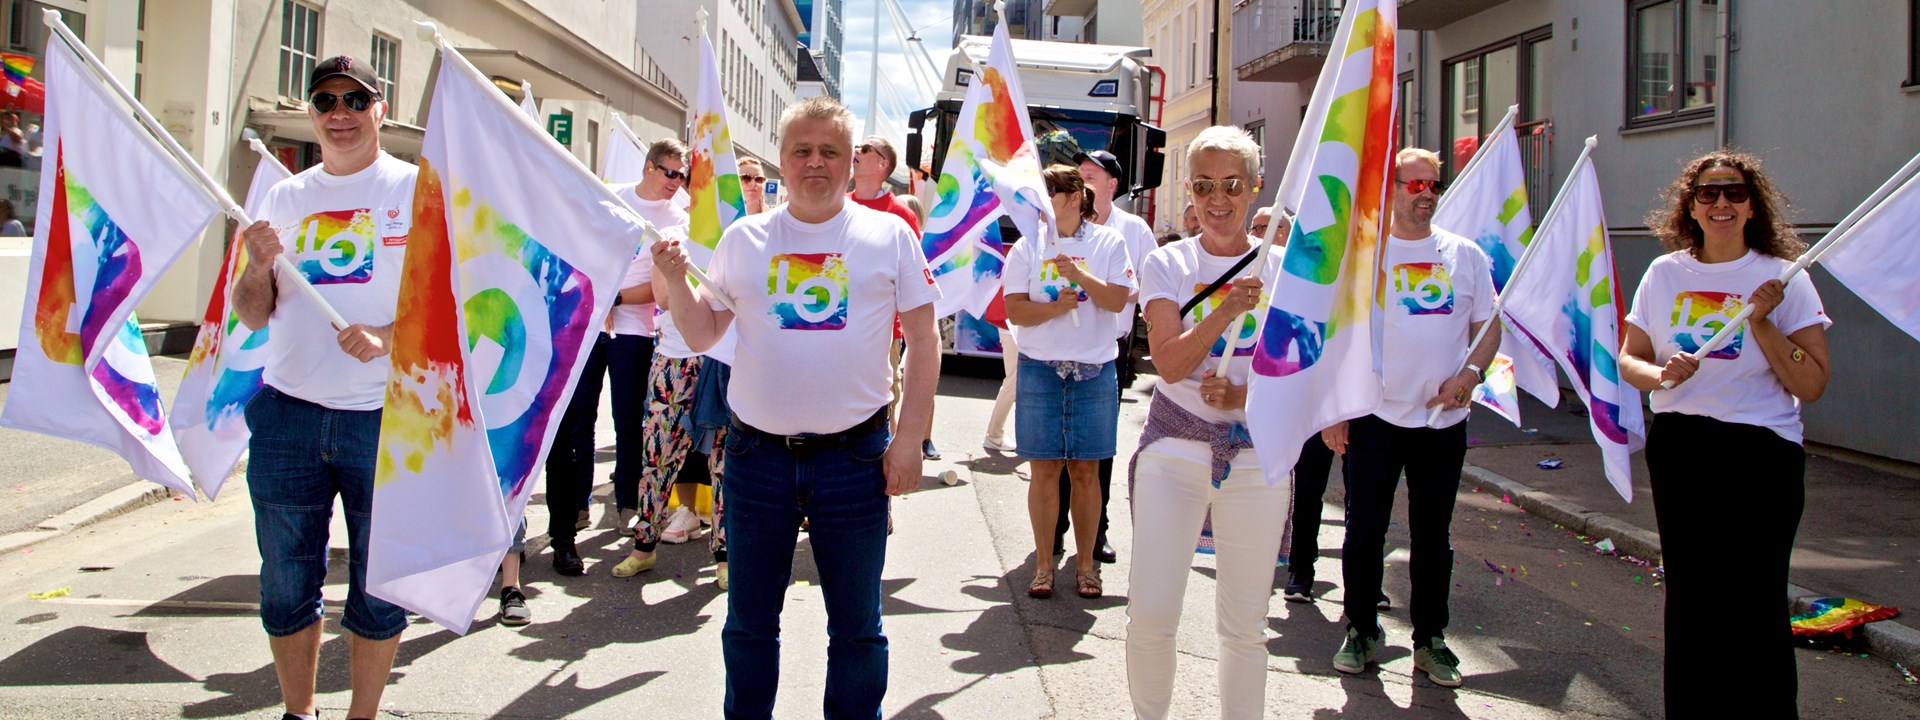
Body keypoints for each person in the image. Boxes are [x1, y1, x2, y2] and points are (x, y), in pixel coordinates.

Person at [653, 95, 940, 718]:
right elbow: (703, 335)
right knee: (750, 624)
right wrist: (676, 280)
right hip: (758, 460)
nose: (816, 163)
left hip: (856, 459)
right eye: (803, 151)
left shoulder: (889, 235)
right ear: (782, 160)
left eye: (831, 151)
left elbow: (924, 337)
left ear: (852, 163)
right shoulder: (744, 238)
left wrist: (909, 438)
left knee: (858, 628)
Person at [231, 56, 412, 720]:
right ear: (312, 113)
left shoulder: (415, 191)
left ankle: (360, 715)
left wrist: (388, 337)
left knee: (380, 586)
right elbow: (253, 313)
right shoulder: (283, 196)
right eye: (326, 100)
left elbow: (450, 307)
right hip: (289, 418)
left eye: (355, 99)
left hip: (383, 418)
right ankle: (298, 713)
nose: (340, 112)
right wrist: (256, 264)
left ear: (379, 109)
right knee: (284, 585)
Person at [1620, 151, 1829, 715]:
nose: (1721, 204)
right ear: (1690, 205)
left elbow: (1810, 383)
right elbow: (1629, 360)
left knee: (1756, 597)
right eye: (1708, 193)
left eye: (1734, 192)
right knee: (1693, 596)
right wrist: (1661, 373)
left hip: (1762, 451)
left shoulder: (1784, 277)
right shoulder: (1664, 274)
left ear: (1752, 204)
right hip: (1684, 446)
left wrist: (1760, 322)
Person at [1125, 126, 1287, 719]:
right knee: (1152, 612)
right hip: (1175, 451)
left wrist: (1245, 391)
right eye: (1203, 186)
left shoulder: (1287, 269)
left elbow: (1307, 372)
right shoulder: (1168, 262)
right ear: (1188, 190)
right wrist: (1226, 310)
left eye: (1232, 185)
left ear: (1254, 188)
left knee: (1246, 624)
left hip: (1256, 458)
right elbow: (1169, 364)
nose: (1218, 200)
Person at [1323, 148, 1495, 688]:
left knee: (1432, 535)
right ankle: (1362, 630)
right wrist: (1334, 408)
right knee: (1364, 528)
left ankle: (1430, 641)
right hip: (1372, 417)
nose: (1425, 193)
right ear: (1389, 188)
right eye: (1414, 183)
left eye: (1433, 185)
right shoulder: (1364, 254)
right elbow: (1337, 331)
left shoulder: (1465, 255)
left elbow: (1489, 326)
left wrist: (1469, 376)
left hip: (1440, 422)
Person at [1004, 164, 1134, 600]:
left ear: (1076, 197)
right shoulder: (1027, 247)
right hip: (1041, 368)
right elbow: (1016, 311)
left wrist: (1080, 277)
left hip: (1094, 370)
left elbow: (1118, 299)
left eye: (1051, 193)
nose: (1043, 202)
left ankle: (1085, 566)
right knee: (1043, 469)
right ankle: (1044, 564)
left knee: (1085, 470)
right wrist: (1056, 309)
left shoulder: (1109, 242)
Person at [613, 140, 728, 581]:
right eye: (683, 178)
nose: (687, 186)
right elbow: (662, 297)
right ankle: (645, 545)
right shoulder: (673, 233)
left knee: (723, 461)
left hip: (721, 364)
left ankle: (724, 557)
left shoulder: (741, 235)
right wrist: (681, 275)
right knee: (658, 455)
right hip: (675, 359)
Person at [1047, 148, 1155, 566]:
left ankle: (1096, 534)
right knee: (1055, 444)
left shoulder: (1132, 229)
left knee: (1096, 447)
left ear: (1113, 184)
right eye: (1080, 174)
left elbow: (1145, 287)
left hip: (1110, 347)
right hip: (1058, 346)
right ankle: (1054, 528)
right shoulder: (1059, 229)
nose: (1084, 181)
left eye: (1092, 175)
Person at [849, 135, 940, 461]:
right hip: (832, 326)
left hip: (882, 335)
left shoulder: (900, 216)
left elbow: (911, 284)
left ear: (883, 164)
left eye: (864, 149)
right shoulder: (836, 204)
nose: (855, 152)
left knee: (881, 409)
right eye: (856, 147)